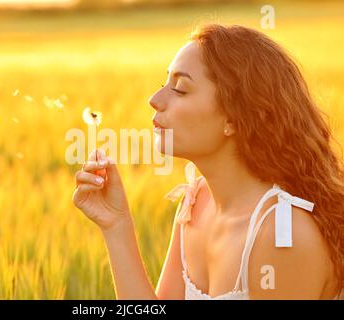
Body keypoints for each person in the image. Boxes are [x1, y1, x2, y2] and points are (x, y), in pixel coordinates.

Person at [72, 24, 343, 300]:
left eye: (180, 89)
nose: (154, 100)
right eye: (163, 84)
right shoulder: (196, 203)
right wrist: (116, 225)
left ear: (233, 118)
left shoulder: (283, 236)